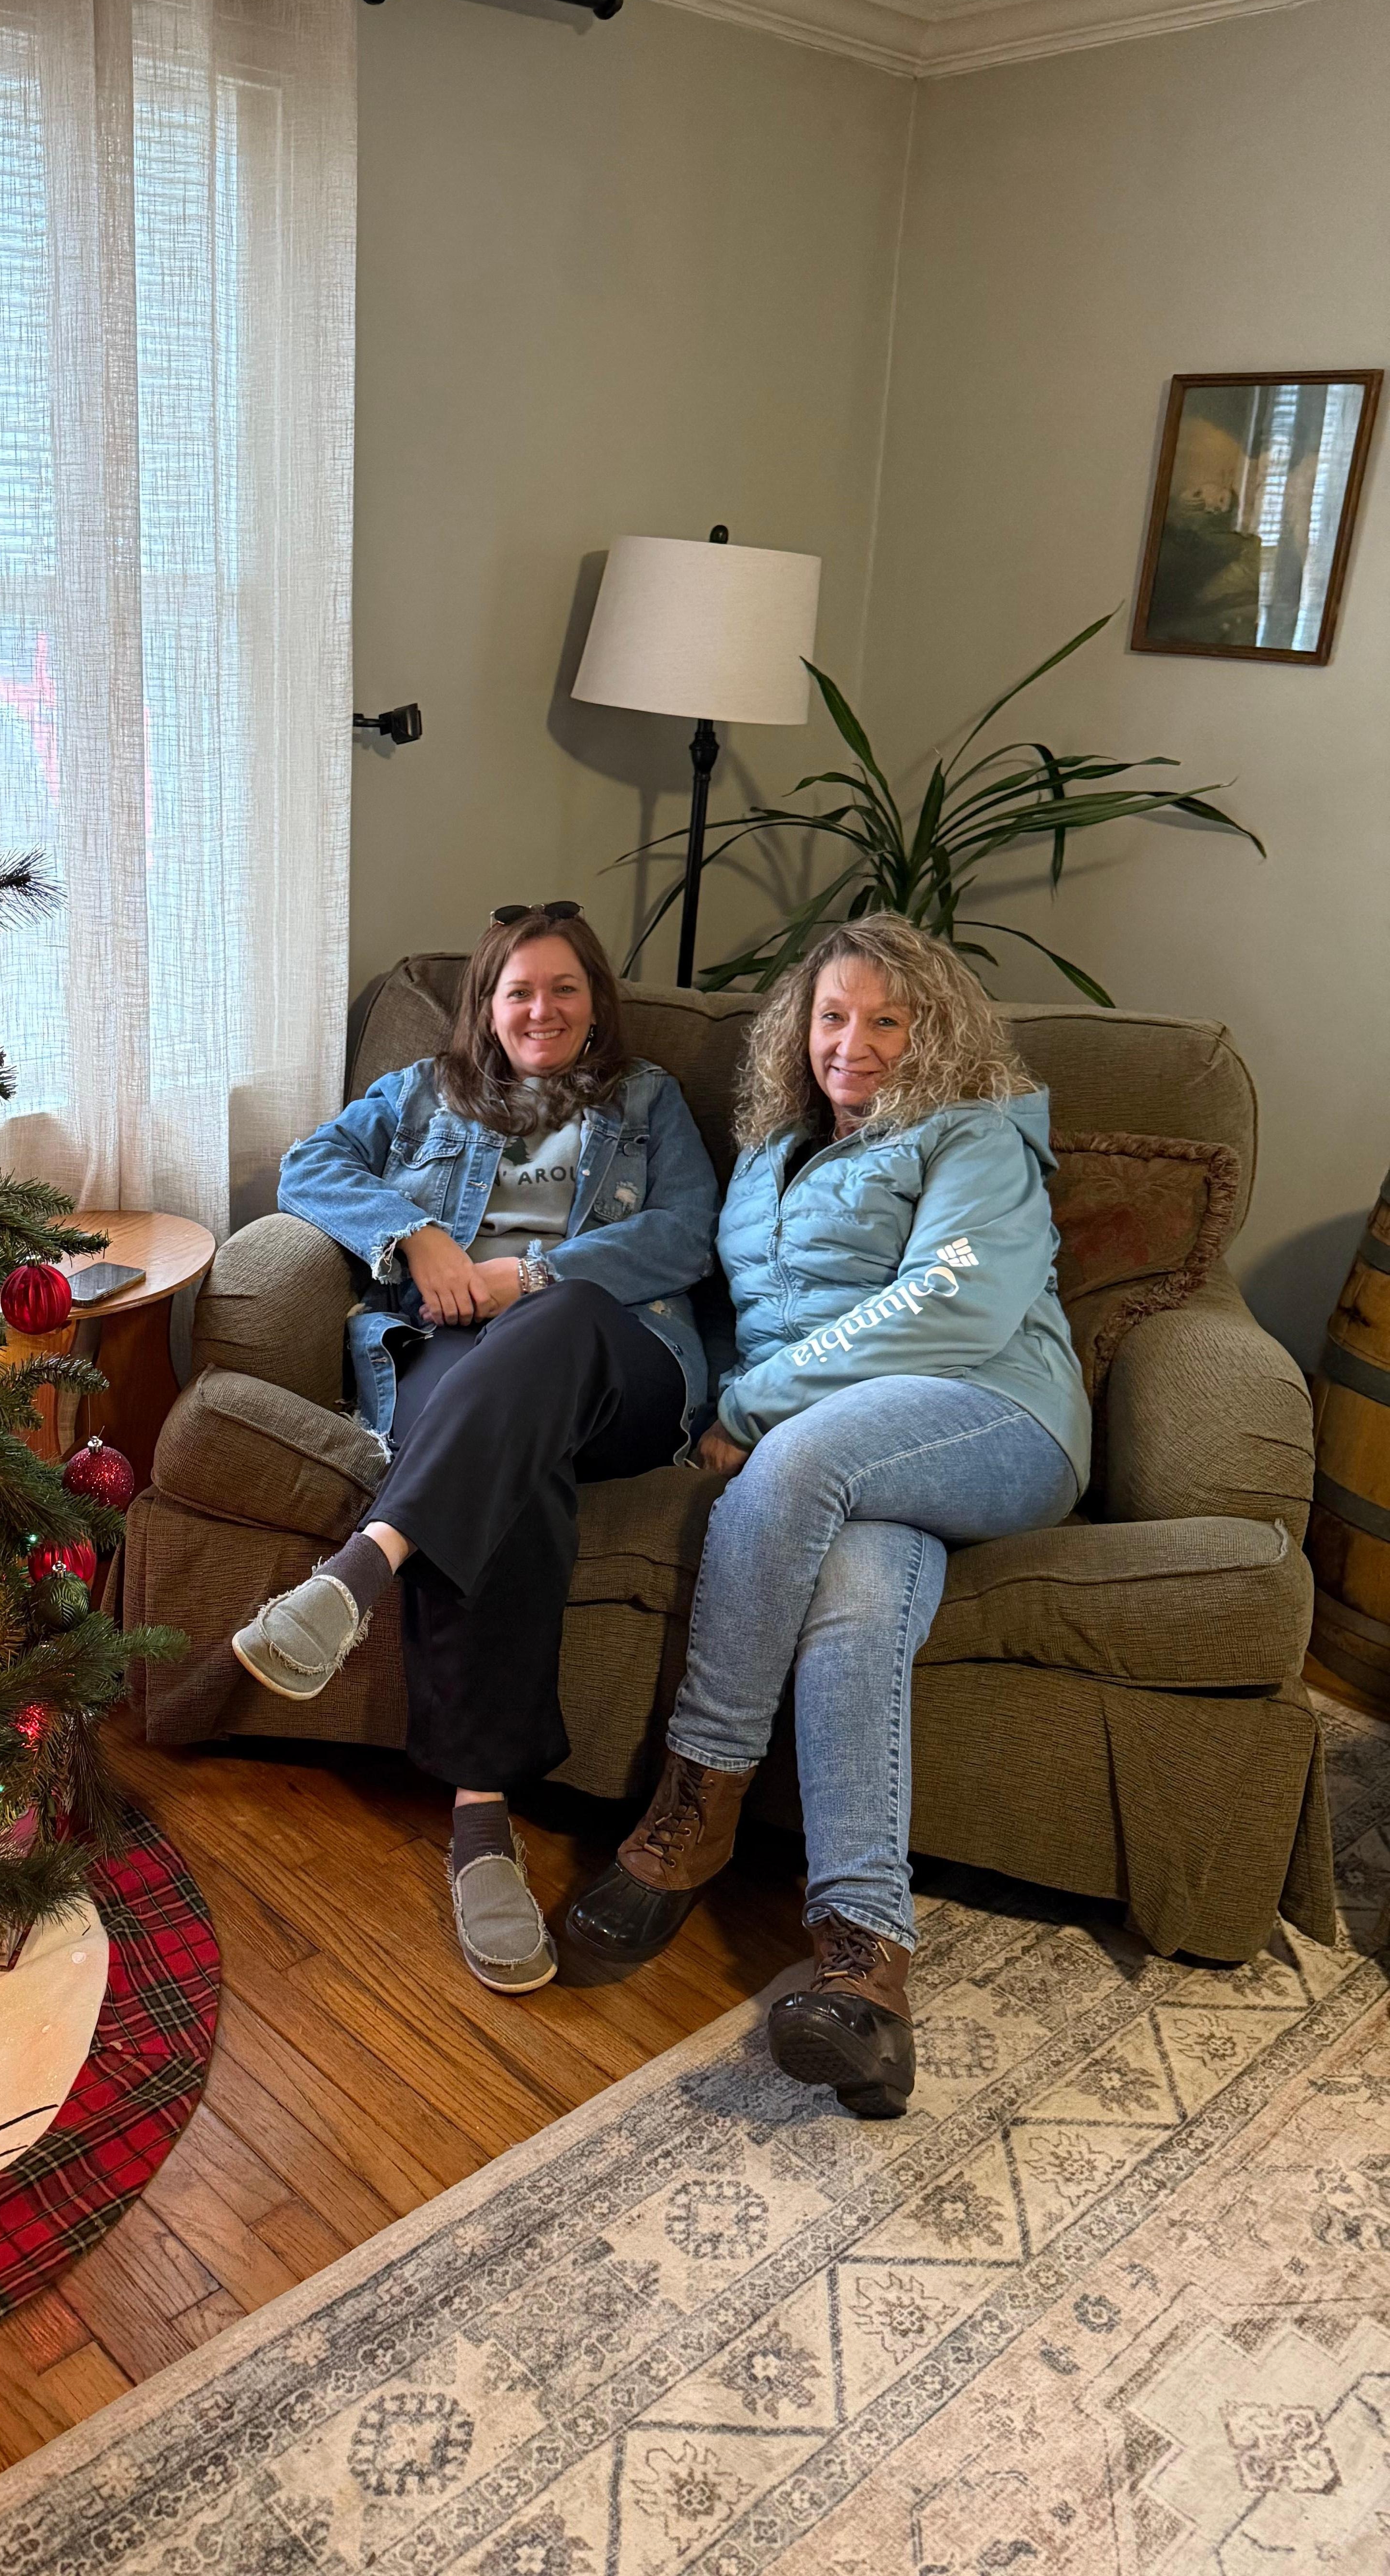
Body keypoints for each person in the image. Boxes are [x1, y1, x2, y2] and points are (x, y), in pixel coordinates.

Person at [566, 913, 1088, 2121]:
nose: (852, 1044)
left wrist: (750, 1408)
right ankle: (866, 1973)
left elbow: (950, 1313)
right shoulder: (767, 1151)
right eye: (832, 1017)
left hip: (993, 1414)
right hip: (852, 1458)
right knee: (854, 1602)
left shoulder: (976, 1136)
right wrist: (690, 1394)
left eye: (886, 1021)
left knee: (795, 1467)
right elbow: (724, 1311)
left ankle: (692, 1814)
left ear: (934, 1032)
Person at [233, 904, 720, 1996]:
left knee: (562, 1317)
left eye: (564, 990)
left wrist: (531, 1277)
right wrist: (417, 1233)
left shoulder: (647, 1103)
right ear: (486, 1010)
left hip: (616, 1361)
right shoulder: (419, 1095)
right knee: (512, 1470)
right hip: (457, 1358)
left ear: (595, 1006)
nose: (540, 1010)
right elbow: (309, 1165)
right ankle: (481, 1823)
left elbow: (684, 1232)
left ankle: (361, 1569)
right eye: (519, 992)